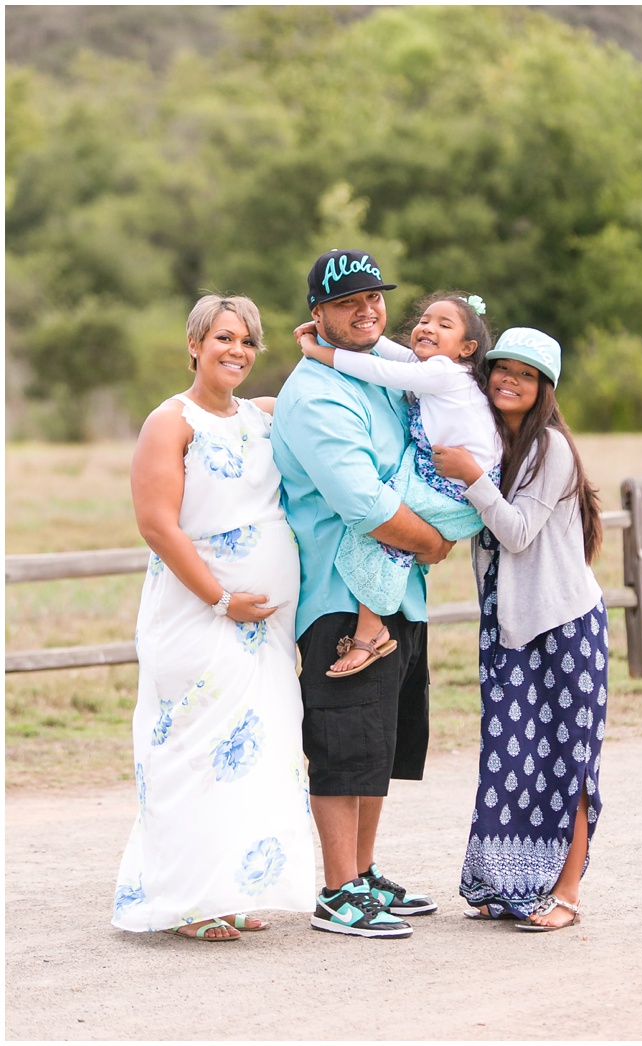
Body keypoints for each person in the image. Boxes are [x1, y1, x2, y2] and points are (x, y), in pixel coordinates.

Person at [112, 294, 316, 942]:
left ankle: (232, 886)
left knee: (257, 751)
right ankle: (188, 901)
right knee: (196, 749)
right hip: (199, 615)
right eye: (224, 337)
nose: (237, 351)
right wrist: (221, 600)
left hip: (267, 630)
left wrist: (326, 347)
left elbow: (326, 397)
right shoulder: (170, 422)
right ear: (195, 344)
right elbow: (157, 525)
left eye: (249, 341)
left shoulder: (262, 418)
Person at [271, 249, 454, 938]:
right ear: (317, 313)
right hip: (341, 600)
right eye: (348, 302)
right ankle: (337, 890)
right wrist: (435, 543)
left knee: (380, 745)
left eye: (374, 297)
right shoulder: (316, 394)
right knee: (344, 743)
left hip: (398, 594)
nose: (366, 310)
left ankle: (366, 872)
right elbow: (364, 504)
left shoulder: (383, 369)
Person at [431, 327, 607, 932]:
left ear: (544, 389)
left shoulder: (551, 448)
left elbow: (517, 532)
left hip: (564, 625)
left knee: (569, 760)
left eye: (526, 375)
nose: (509, 380)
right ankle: (503, 884)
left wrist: (470, 477)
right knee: (511, 757)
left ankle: (566, 894)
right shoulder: (492, 439)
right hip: (507, 626)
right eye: (502, 368)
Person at [295, 291, 501, 677]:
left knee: (383, 520)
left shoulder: (443, 373)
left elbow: (377, 370)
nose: (427, 327)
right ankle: (380, 613)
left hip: (457, 491)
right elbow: (385, 352)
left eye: (444, 324)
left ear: (467, 348)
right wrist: (345, 333)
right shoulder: (438, 369)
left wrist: (315, 350)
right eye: (425, 319)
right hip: (444, 480)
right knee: (390, 520)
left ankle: (371, 629)